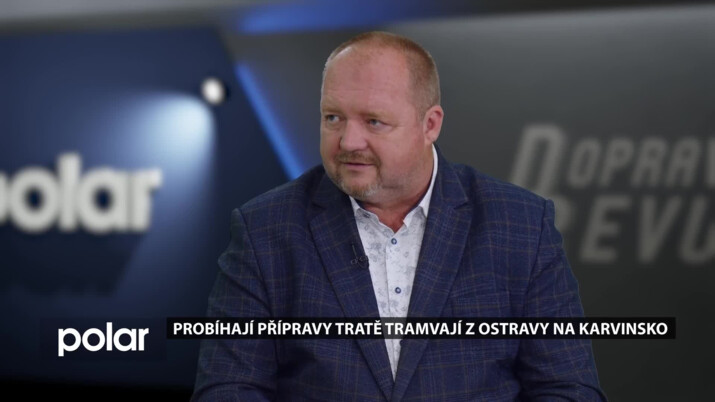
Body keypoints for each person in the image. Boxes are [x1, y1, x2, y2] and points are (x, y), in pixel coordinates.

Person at [192, 31, 606, 401]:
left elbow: (568, 388)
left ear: (430, 125)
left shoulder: (521, 225)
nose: (348, 141)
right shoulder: (265, 229)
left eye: (374, 121)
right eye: (333, 117)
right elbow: (229, 388)